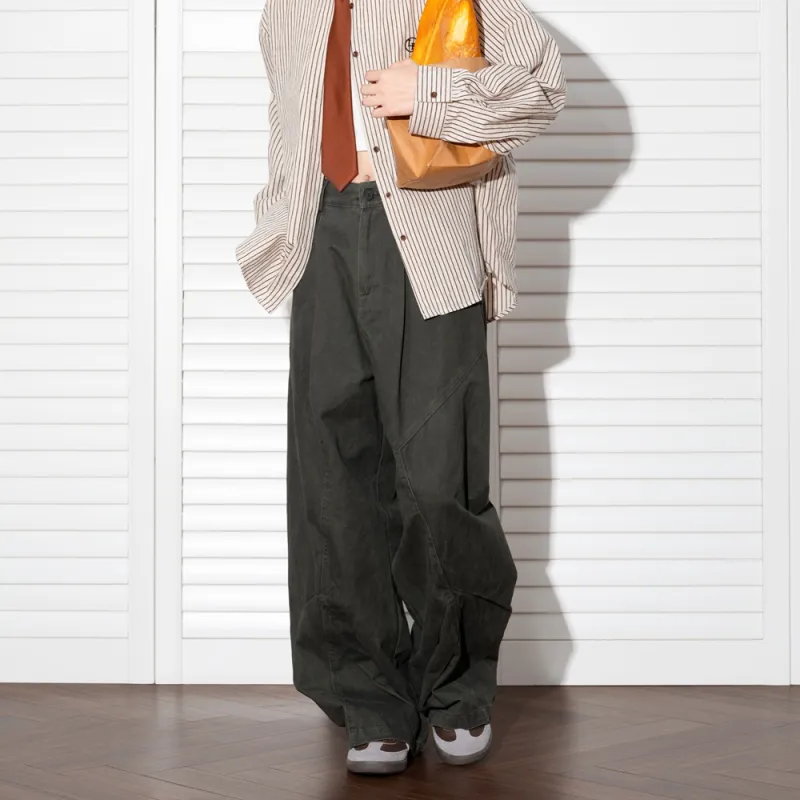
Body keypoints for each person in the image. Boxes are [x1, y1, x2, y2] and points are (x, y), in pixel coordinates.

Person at [235, 0, 566, 776]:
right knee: (332, 482)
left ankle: (456, 692)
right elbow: (289, 119)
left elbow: (543, 86)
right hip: (320, 237)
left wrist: (432, 93)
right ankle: (370, 702)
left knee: (439, 477)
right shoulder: (285, 8)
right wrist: (279, 221)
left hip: (427, 240)